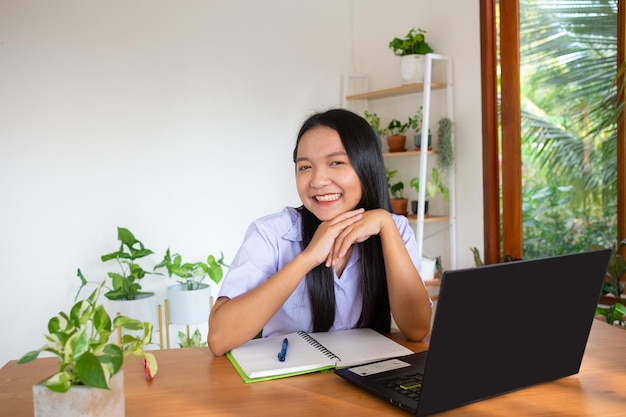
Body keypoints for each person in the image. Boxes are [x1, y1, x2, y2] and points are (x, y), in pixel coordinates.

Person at [207, 108, 431, 356]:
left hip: (366, 383)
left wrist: (385, 225)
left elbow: (417, 328)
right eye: (305, 167)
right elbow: (219, 338)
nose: (317, 180)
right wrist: (308, 258)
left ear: (366, 165)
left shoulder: (394, 229)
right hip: (288, 386)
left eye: (336, 162)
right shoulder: (271, 233)